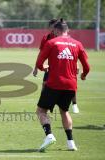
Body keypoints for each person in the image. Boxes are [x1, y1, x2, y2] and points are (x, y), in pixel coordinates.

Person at [35, 18, 90, 152]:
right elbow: (87, 67)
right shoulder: (77, 44)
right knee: (64, 111)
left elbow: (39, 63)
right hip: (71, 85)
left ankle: (49, 135)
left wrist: (43, 68)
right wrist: (83, 75)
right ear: (67, 31)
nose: (53, 33)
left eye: (54, 31)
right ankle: (71, 143)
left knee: (41, 111)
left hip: (54, 84)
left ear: (57, 30)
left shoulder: (51, 42)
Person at [33, 19, 80, 114]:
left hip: (67, 66)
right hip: (52, 67)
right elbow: (41, 53)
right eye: (51, 28)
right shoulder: (46, 38)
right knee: (45, 84)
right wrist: (36, 68)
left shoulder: (65, 38)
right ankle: (45, 104)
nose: (52, 30)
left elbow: (73, 53)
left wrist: (77, 65)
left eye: (54, 28)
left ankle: (74, 104)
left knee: (71, 86)